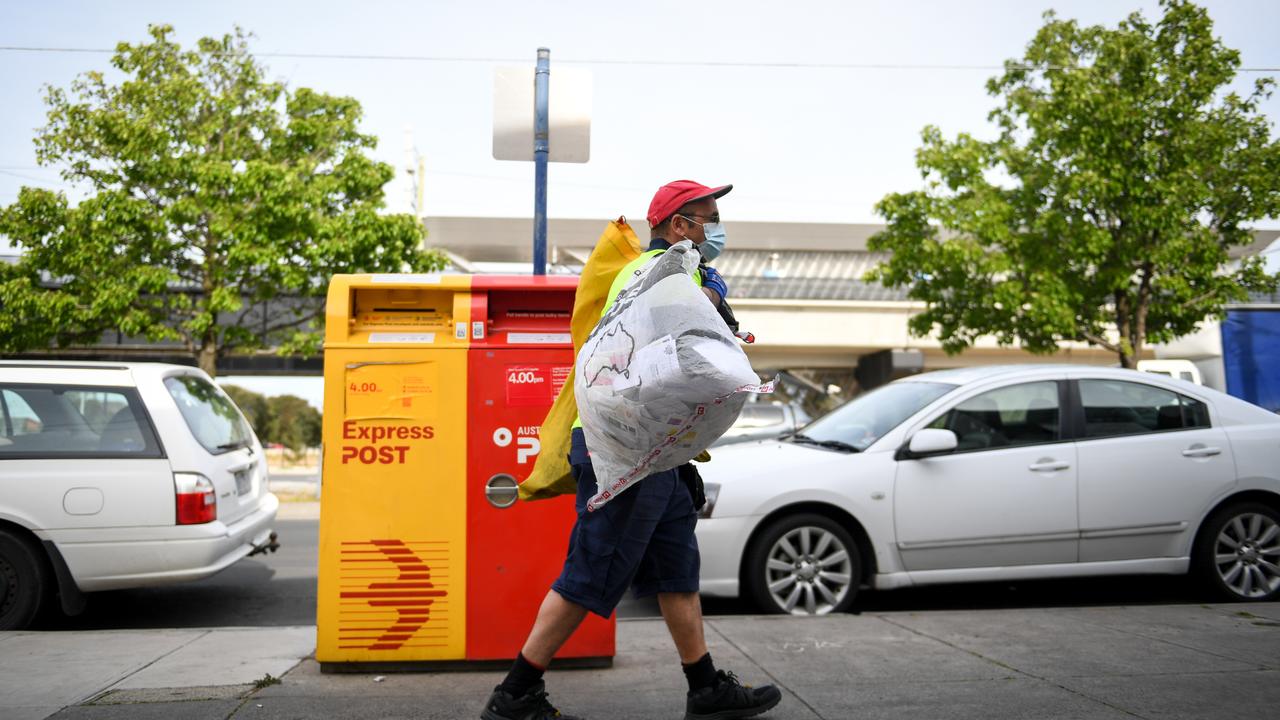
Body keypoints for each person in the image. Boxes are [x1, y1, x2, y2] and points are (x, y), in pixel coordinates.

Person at [481, 180, 783, 720]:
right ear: (677, 227)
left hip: (655, 453)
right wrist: (710, 296)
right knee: (591, 570)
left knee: (675, 569)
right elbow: (677, 333)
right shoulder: (652, 272)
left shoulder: (678, 271)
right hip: (622, 452)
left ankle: (706, 688)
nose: (716, 228)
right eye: (706, 218)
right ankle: (515, 695)